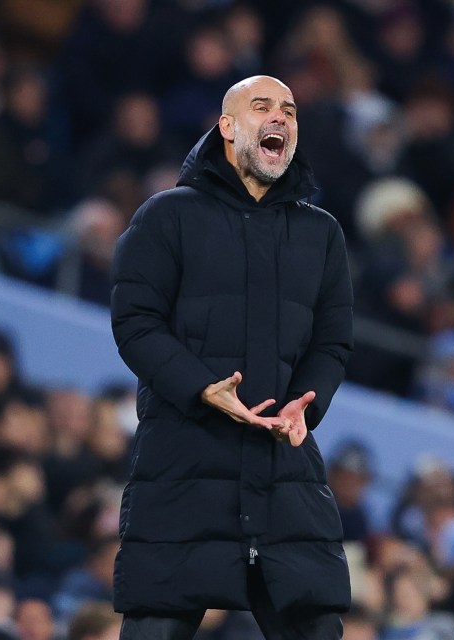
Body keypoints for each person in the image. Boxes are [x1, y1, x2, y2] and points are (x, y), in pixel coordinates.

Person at [110, 75, 354, 639]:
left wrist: (303, 408)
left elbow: (333, 341)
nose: (280, 118)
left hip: (284, 469)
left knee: (315, 624)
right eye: (262, 106)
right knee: (157, 624)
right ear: (226, 126)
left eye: (290, 111)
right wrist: (202, 387)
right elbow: (135, 322)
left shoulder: (321, 234)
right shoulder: (165, 216)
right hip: (182, 465)